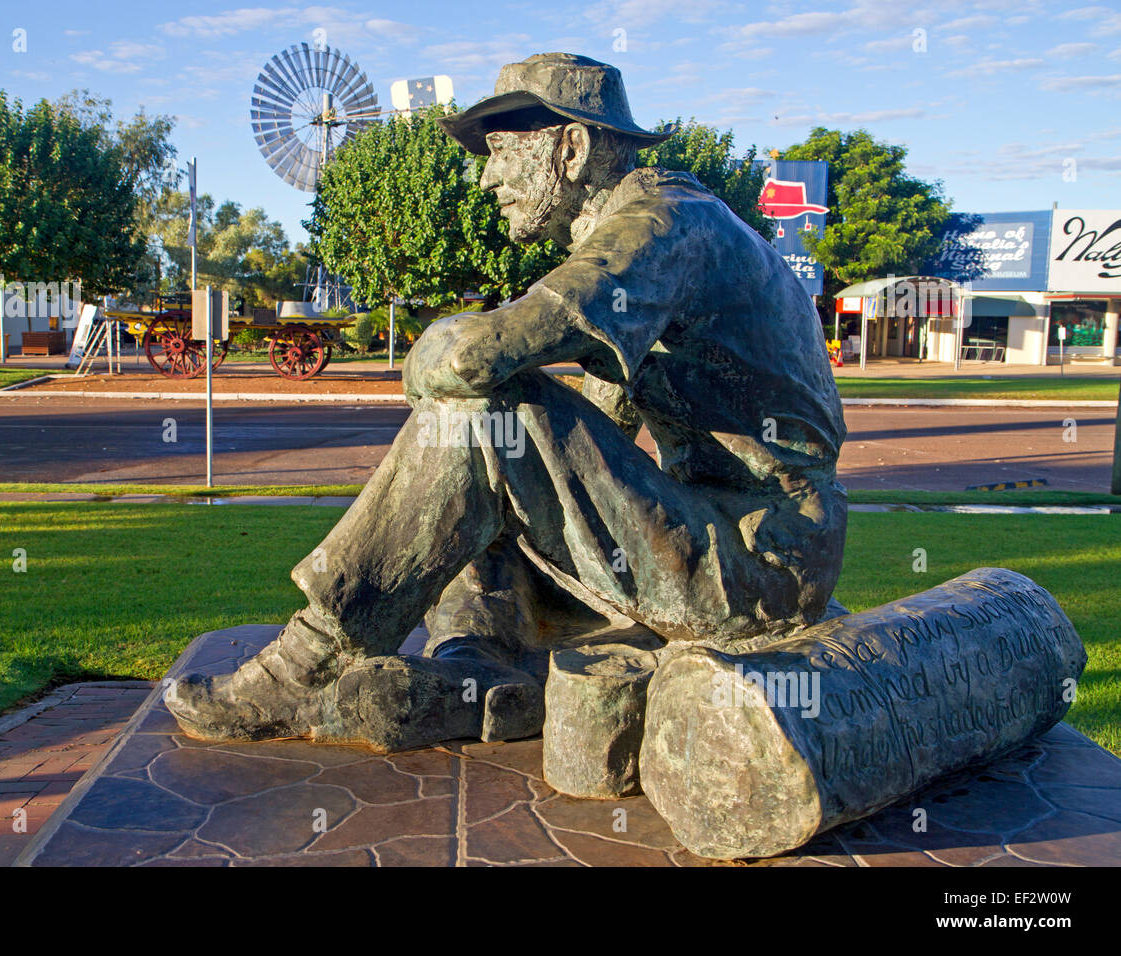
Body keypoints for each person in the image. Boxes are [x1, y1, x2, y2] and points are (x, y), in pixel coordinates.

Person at [166, 53, 847, 749]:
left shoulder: (663, 227)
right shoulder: (664, 239)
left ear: (572, 148)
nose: (485, 178)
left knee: (489, 410)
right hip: (726, 543)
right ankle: (478, 671)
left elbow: (474, 356)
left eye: (497, 153)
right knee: (504, 454)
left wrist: (432, 363)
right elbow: (591, 439)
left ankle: (305, 664)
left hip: (758, 568)